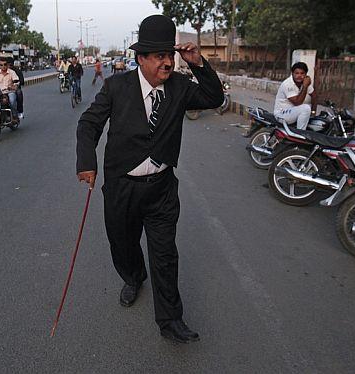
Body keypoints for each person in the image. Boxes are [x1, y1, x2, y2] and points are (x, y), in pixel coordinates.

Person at [76, 14, 223, 343]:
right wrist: (86, 161)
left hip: (161, 190)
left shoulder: (181, 88)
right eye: (159, 56)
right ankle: (133, 276)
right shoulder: (117, 87)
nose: (167, 62)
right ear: (140, 58)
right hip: (121, 188)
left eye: (169, 55)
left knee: (165, 254)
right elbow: (89, 125)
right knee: (123, 245)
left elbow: (214, 98)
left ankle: (171, 321)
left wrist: (198, 63)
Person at [273, 62, 317, 130]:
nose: (299, 76)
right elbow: (297, 102)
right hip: (282, 114)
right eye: (296, 73)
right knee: (306, 108)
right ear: (292, 73)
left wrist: (313, 112)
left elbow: (314, 95)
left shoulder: (304, 82)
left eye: (302, 73)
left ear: (306, 74)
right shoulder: (287, 84)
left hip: (293, 112)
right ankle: (300, 133)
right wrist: (305, 86)